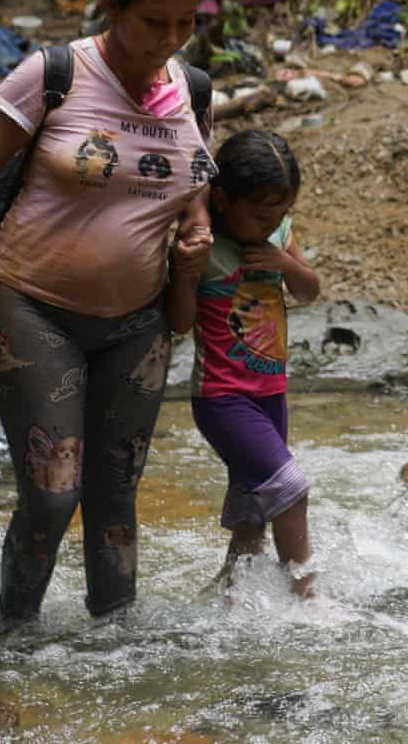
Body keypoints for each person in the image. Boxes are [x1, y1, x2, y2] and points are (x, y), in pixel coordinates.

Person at [0, 0, 214, 632]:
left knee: (116, 492)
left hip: (140, 321)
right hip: (31, 307)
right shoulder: (54, 75)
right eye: (155, 22)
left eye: (187, 23)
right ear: (112, 7)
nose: (170, 40)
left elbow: (191, 178)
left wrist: (198, 225)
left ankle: (115, 647)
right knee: (55, 492)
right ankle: (13, 638)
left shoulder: (194, 89)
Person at [171, 129, 321, 594]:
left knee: (254, 505)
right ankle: (306, 592)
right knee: (289, 485)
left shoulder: (276, 236)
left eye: (279, 213)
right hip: (223, 397)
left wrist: (285, 263)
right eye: (260, 215)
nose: (269, 223)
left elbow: (309, 291)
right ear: (221, 199)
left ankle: (230, 594)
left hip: (271, 393)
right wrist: (182, 275)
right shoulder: (205, 247)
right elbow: (179, 322)